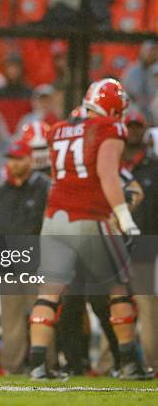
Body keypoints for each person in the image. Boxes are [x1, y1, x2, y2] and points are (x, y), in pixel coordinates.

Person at [28, 78, 152, 380]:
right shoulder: (109, 128)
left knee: (49, 293)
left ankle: (39, 365)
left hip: (55, 216)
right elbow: (107, 176)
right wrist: (124, 217)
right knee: (118, 291)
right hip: (89, 215)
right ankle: (130, 364)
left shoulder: (57, 129)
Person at [0, 140, 51, 374]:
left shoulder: (44, 191)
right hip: (9, 265)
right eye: (11, 159)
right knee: (11, 321)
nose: (14, 164)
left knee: (42, 316)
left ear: (30, 160)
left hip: (38, 264)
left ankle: (46, 364)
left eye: (19, 158)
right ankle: (11, 366)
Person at [122, 111, 158, 371]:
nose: (133, 131)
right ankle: (112, 362)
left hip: (146, 242)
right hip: (115, 242)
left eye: (138, 127)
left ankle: (151, 361)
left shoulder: (154, 166)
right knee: (115, 302)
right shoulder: (111, 161)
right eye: (129, 127)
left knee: (146, 304)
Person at [0, 53, 33, 135]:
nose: (13, 71)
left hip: (24, 135)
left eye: (16, 67)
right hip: (3, 137)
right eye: (10, 67)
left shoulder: (29, 93)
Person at [122, 41, 157, 121]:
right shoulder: (132, 70)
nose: (152, 55)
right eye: (150, 51)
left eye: (155, 52)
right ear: (143, 52)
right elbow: (131, 95)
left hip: (151, 111)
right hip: (134, 109)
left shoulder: (154, 71)